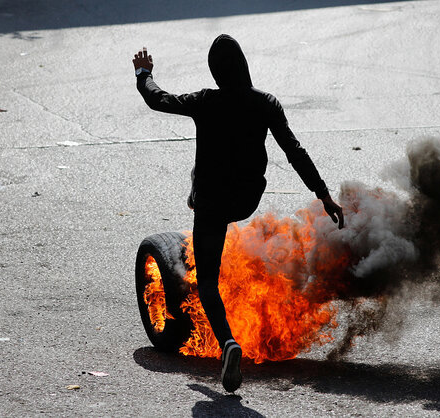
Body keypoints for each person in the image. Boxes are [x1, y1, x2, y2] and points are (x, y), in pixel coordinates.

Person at [133, 35, 344, 392]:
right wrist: (323, 194)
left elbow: (158, 99)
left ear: (216, 72)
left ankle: (229, 343)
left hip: (212, 203)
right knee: (217, 190)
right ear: (245, 65)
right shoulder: (265, 103)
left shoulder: (205, 101)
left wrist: (143, 73)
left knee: (209, 284)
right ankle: (200, 192)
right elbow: (294, 151)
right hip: (246, 198)